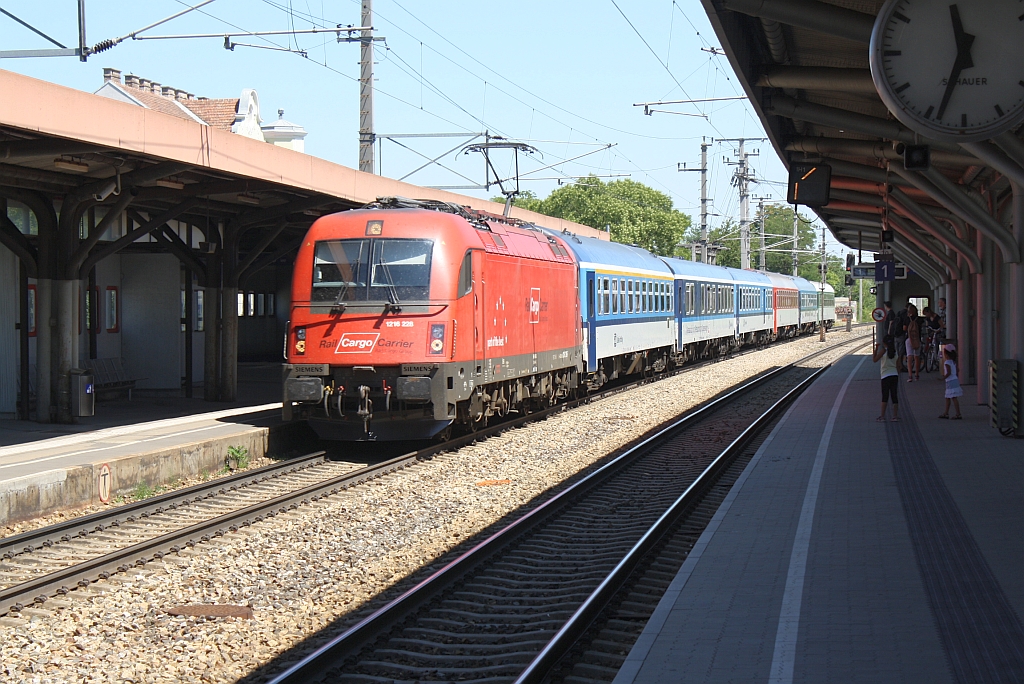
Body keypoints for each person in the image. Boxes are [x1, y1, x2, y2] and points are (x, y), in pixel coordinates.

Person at [873, 335, 900, 422]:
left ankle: (882, 416)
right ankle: (895, 416)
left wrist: (876, 349)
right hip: (894, 375)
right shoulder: (895, 352)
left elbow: (874, 360)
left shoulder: (883, 351)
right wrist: (897, 372)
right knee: (894, 395)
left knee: (885, 396)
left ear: (884, 343)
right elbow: (899, 366)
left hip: (885, 376)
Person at [939, 344, 963, 419]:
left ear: (946, 354)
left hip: (950, 381)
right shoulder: (953, 362)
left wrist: (942, 378)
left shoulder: (947, 362)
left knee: (952, 397)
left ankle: (958, 414)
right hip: (954, 380)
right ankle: (946, 413)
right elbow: (957, 370)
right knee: (949, 397)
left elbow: (948, 373)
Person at [904, 303, 922, 381]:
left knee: (909, 357)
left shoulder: (907, 319)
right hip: (917, 339)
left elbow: (904, 328)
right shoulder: (920, 319)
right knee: (917, 357)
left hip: (909, 339)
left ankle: (910, 376)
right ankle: (917, 375)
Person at [893, 304, 909, 373]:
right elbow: (905, 326)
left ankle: (896, 366)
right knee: (901, 352)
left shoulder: (899, 313)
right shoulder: (906, 314)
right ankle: (900, 366)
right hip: (902, 335)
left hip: (896, 334)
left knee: (897, 352)